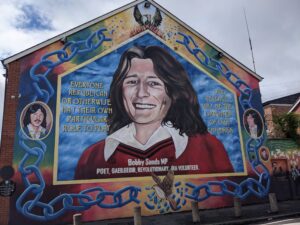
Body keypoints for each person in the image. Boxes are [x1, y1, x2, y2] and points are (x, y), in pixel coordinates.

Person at [75, 45, 233, 179]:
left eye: (153, 83)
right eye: (132, 82)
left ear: (173, 92)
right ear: (120, 90)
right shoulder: (92, 157)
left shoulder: (208, 148)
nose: (141, 93)